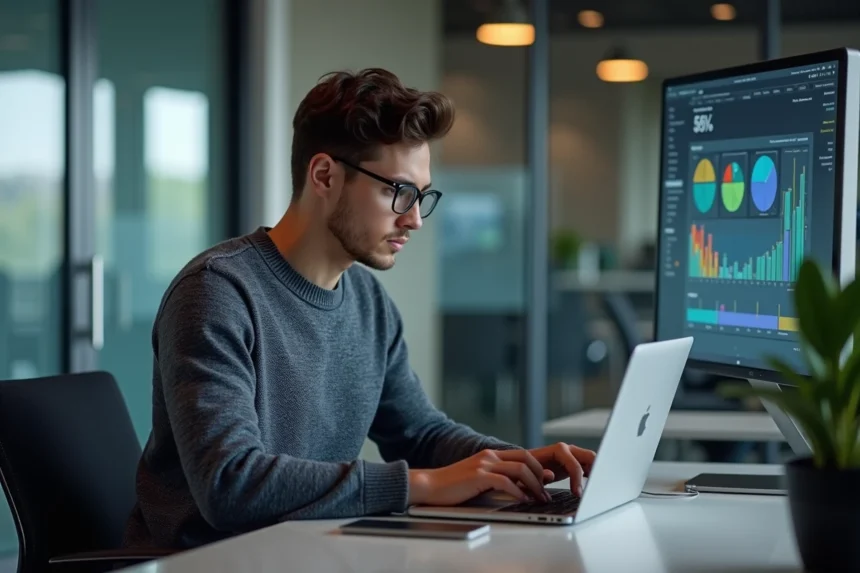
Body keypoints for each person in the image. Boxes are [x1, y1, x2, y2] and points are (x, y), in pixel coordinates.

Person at [123, 68, 595, 550]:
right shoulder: (217, 293)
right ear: (325, 175)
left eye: (422, 196)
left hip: (311, 552)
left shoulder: (369, 303)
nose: (413, 218)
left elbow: (419, 433)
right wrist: (423, 485)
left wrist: (518, 464)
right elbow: (229, 483)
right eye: (399, 192)